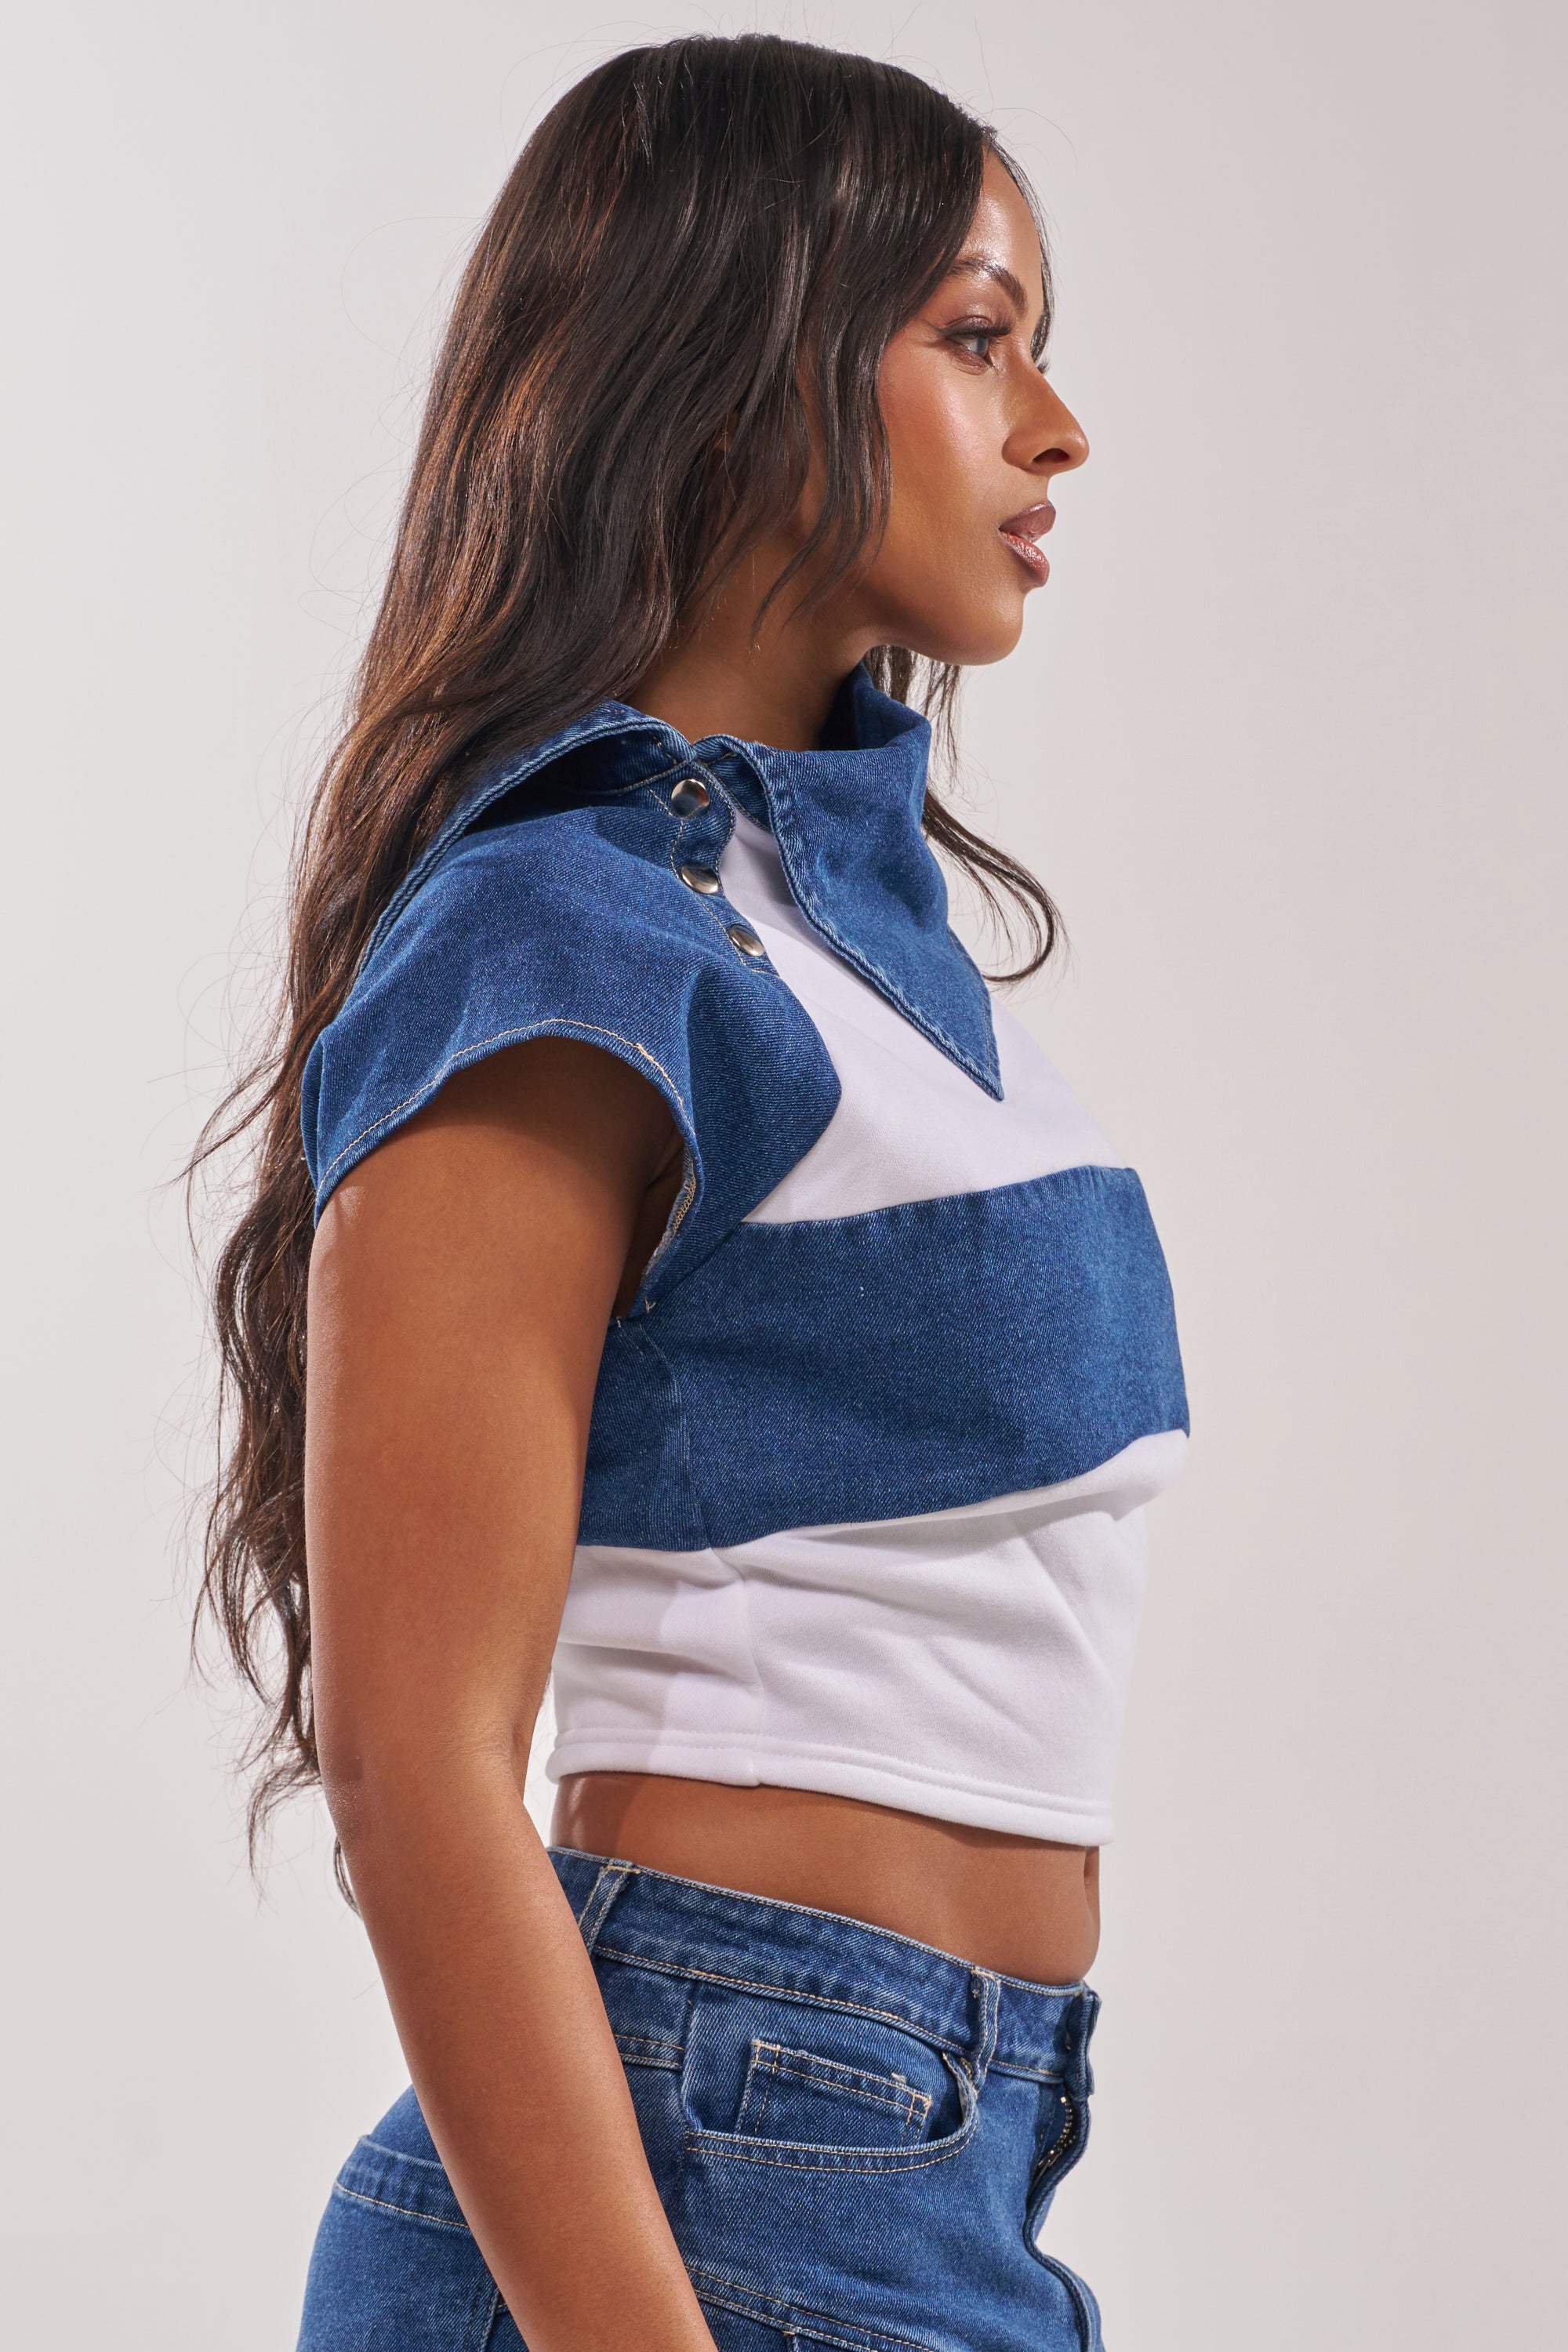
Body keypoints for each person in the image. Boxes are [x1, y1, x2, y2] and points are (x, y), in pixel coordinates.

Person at [198, 33, 1188, 2351]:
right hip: (701, 2173)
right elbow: (418, 1775)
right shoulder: (572, 935)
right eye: (974, 335)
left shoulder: (856, 930)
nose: (1054, 428)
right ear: (737, 365)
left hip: (936, 2166)